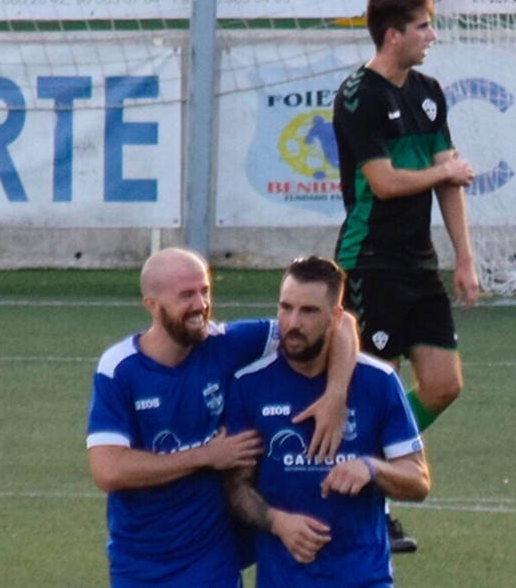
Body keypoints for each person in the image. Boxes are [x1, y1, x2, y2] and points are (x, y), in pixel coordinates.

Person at [86, 248, 357, 588]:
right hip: (139, 561)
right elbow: (109, 470)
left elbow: (340, 322)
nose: (201, 305)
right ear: (151, 304)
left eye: (205, 290)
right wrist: (207, 456)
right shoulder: (119, 368)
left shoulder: (225, 343)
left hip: (212, 559)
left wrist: (335, 395)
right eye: (186, 295)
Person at [331, 0, 478, 551]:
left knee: (443, 385)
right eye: (422, 27)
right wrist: (445, 174)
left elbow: (450, 174)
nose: (431, 37)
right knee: (372, 385)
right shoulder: (357, 97)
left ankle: (374, 466)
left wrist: (463, 258)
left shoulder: (429, 93)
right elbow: (385, 182)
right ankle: (373, 499)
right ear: (393, 33)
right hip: (369, 263)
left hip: (419, 265)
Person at [224, 256, 429, 588]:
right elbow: (235, 487)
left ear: (336, 316)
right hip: (283, 581)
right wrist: (278, 523)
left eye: (308, 311)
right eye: (285, 307)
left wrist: (372, 468)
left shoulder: (378, 382)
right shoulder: (249, 386)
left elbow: (418, 480)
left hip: (364, 578)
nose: (292, 323)